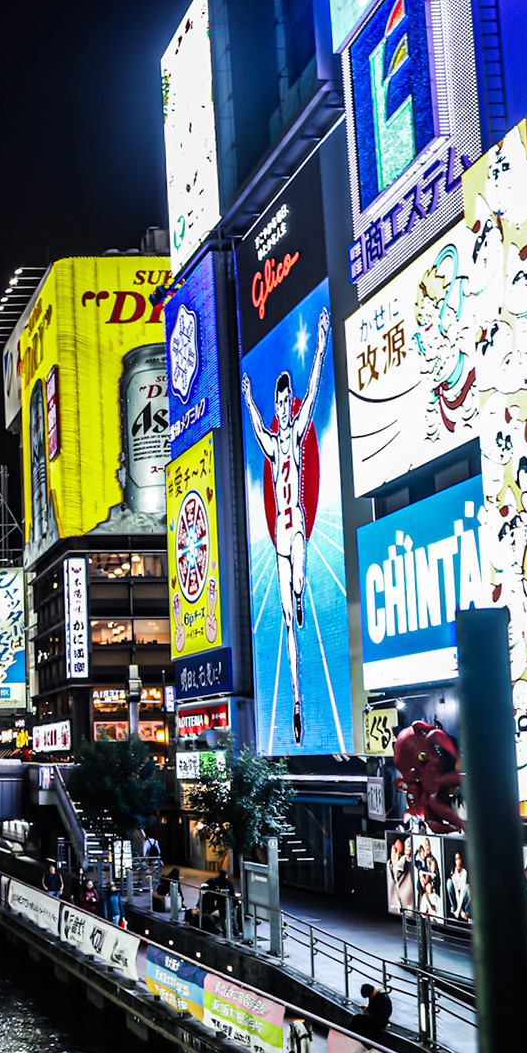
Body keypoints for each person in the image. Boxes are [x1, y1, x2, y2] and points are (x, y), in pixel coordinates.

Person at [242, 304, 329, 745]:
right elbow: (256, 424)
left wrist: (320, 347)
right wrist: (247, 396)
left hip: (296, 531)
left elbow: (314, 388)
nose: (285, 407)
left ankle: (298, 594)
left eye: (285, 400)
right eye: (279, 402)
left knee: (297, 583)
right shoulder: (276, 445)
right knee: (285, 617)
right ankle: (296, 700)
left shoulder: (296, 436)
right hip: (279, 537)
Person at [444, 850, 471, 922]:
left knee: (467, 887)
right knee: (448, 882)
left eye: (459, 858)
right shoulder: (453, 872)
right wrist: (459, 911)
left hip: (462, 895)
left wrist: (460, 910)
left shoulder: (464, 872)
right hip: (456, 895)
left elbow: (462, 891)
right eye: (456, 859)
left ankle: (466, 910)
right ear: (454, 861)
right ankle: (454, 907)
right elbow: (456, 891)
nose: (458, 861)